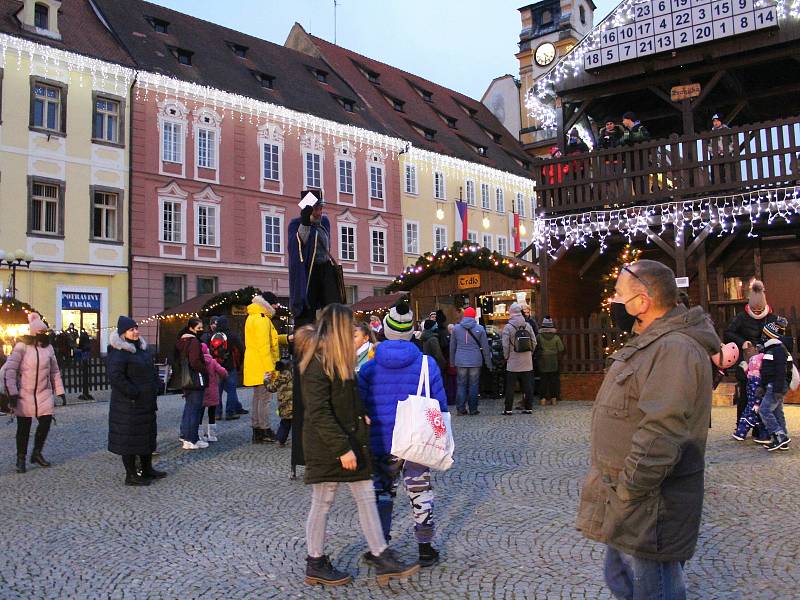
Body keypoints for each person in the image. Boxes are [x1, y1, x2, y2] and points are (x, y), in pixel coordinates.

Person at [576, 260, 721, 600]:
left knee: (651, 588)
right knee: (620, 578)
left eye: (618, 294)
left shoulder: (674, 348)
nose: (613, 302)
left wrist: (629, 489)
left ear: (641, 302)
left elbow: (661, 432)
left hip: (649, 503)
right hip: (628, 500)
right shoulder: (653, 342)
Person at [299, 303, 419, 587]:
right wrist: (342, 449)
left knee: (365, 495)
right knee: (323, 501)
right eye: (350, 324)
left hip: (351, 438)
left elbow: (344, 398)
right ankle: (315, 561)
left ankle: (381, 556)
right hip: (331, 446)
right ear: (339, 328)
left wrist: (360, 412)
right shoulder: (317, 362)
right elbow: (319, 412)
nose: (355, 328)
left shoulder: (338, 358)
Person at [358, 300, 447, 567]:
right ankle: (425, 547)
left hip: (382, 441)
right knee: (420, 492)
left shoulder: (369, 367)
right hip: (417, 440)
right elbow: (440, 406)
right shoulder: (426, 364)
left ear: (384, 330)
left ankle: (380, 547)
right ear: (410, 331)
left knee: (383, 494)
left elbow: (361, 406)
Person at [106, 316, 164, 486]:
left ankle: (147, 469)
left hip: (146, 402)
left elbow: (151, 370)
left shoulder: (142, 349)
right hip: (129, 405)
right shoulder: (119, 352)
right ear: (123, 333)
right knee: (129, 440)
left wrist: (156, 384)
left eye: (136, 328)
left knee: (146, 436)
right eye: (132, 329)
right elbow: (116, 377)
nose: (136, 331)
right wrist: (133, 392)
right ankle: (131, 475)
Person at [4, 313, 65, 473]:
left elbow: (54, 371)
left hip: (43, 393)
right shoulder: (21, 346)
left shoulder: (49, 348)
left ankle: (37, 453)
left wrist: (59, 390)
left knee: (45, 423)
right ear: (33, 332)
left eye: (44, 332)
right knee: (23, 428)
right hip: (24, 392)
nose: (42, 335)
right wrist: (13, 392)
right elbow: (10, 370)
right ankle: (21, 458)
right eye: (40, 332)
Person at [724, 280, 777, 442]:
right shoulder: (741, 317)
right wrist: (742, 342)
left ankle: (761, 429)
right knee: (746, 396)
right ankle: (742, 426)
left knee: (764, 397)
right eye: (754, 309)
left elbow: (778, 338)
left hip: (765, 362)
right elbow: (728, 333)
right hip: (746, 363)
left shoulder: (772, 318)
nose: (757, 311)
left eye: (760, 309)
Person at [288, 193, 340, 327]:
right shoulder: (296, 224)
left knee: (333, 307)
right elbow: (298, 245)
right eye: (316, 209)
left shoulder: (325, 223)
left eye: (321, 208)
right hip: (309, 272)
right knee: (307, 309)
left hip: (325, 268)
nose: (319, 212)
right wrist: (305, 222)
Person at [243, 293, 280, 444]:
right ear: (269, 303)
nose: (277, 306)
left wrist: (285, 338)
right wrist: (270, 370)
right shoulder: (262, 319)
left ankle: (257, 431)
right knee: (264, 399)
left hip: (254, 364)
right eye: (275, 303)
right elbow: (264, 347)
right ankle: (265, 429)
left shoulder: (253, 316)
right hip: (263, 365)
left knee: (257, 398)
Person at [757, 318, 793, 451]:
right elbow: (765, 371)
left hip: (776, 386)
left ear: (770, 336)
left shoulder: (778, 350)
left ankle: (779, 435)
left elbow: (780, 371)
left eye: (764, 335)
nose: (762, 338)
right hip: (773, 385)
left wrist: (778, 388)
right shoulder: (771, 350)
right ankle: (783, 439)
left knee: (764, 410)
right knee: (777, 412)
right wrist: (762, 385)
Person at [449, 306, 492, 416]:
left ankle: (460, 409)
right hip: (475, 360)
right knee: (473, 385)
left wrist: (452, 361)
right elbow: (485, 348)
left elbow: (452, 347)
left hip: (460, 360)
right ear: (474, 316)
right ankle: (473, 409)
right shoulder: (480, 328)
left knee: (461, 385)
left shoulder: (456, 329)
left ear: (464, 316)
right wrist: (488, 363)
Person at [175, 317, 209, 450]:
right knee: (195, 409)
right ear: (191, 328)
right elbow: (195, 361)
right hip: (195, 379)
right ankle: (192, 439)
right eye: (199, 328)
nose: (201, 330)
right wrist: (204, 369)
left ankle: (186, 437)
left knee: (189, 409)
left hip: (185, 379)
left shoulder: (181, 341)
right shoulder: (194, 341)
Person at [207, 315, 245, 420]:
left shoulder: (213, 336)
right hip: (230, 366)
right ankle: (230, 412)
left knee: (217, 391)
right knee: (231, 390)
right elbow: (241, 349)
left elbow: (208, 351)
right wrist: (238, 363)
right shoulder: (232, 335)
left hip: (216, 367)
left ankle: (217, 413)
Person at [501, 303, 536, 415]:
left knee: (510, 387)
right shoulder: (527, 325)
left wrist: (506, 357)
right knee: (527, 386)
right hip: (527, 362)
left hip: (513, 362)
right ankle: (528, 408)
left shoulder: (508, 327)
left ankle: (508, 409)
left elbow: (505, 345)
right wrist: (530, 354)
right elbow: (534, 342)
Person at [732, 344, 765, 442]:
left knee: (750, 416)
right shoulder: (756, 377)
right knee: (751, 416)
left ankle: (744, 433)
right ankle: (742, 433)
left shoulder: (753, 375)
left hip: (752, 400)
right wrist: (757, 402)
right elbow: (757, 391)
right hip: (753, 401)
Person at [200, 342, 227, 443]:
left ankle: (200, 435)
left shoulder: (199, 362)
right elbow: (222, 372)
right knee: (212, 414)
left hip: (202, 392)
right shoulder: (212, 361)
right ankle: (212, 435)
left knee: (200, 414)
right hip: (212, 391)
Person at [536, 317, 565, 406]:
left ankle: (543, 399)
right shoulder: (556, 337)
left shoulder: (539, 337)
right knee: (553, 380)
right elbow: (561, 348)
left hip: (543, 361)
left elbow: (535, 347)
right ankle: (554, 399)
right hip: (553, 361)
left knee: (543, 380)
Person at [267, 359, 294, 447]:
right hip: (295, 405)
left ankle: (280, 440)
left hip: (285, 405)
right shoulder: (294, 375)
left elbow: (271, 388)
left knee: (285, 423)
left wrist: (266, 380)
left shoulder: (281, 377)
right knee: (297, 424)